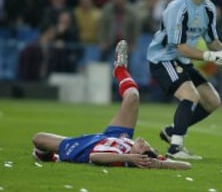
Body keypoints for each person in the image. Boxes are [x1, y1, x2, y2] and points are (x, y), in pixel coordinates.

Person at [32, 40, 191, 170]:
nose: (144, 142)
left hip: (84, 147)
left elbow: (95, 157)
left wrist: (127, 158)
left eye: (144, 147)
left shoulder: (118, 156)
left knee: (38, 138)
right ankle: (120, 69)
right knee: (133, 96)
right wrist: (161, 164)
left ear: (139, 158)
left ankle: (49, 157)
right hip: (118, 136)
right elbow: (186, 166)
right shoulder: (140, 154)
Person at [147, 0, 222, 160]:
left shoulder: (208, 8)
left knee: (212, 101)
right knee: (191, 96)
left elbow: (212, 41)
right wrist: (212, 57)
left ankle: (171, 131)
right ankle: (175, 148)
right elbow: (180, 47)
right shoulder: (178, 8)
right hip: (163, 59)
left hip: (182, 61)